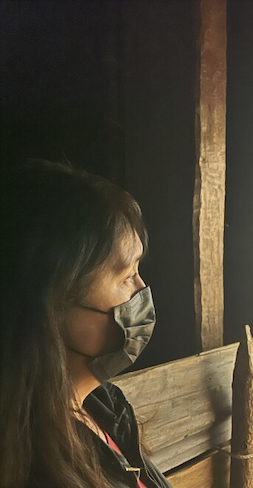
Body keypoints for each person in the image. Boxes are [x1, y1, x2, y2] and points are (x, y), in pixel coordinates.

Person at [0, 159, 172, 487]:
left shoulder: (104, 406)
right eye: (126, 276)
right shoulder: (31, 466)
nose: (142, 292)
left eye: (139, 270)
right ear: (54, 306)